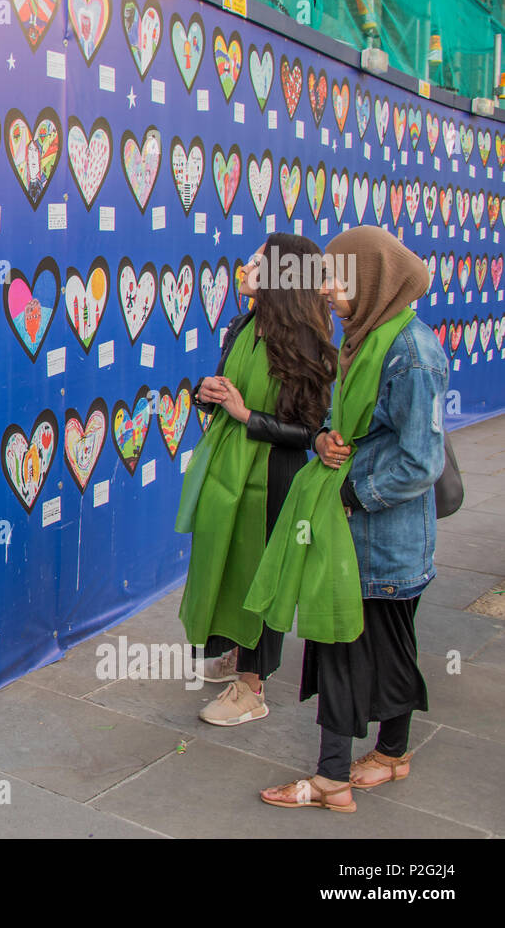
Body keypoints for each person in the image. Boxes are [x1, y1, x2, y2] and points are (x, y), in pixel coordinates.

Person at [253, 225, 447, 813]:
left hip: (379, 538)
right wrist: (327, 441)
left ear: (373, 281)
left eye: (338, 282)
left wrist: (352, 492)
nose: (327, 295)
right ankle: (391, 754)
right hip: (370, 536)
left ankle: (332, 778)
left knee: (339, 648)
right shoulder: (368, 339)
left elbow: (421, 460)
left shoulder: (410, 354)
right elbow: (361, 430)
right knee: (387, 651)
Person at [176, 233, 337, 727]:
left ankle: (253, 686)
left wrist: (246, 415)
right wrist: (207, 392)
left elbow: (311, 430)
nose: (245, 267)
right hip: (227, 471)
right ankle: (235, 653)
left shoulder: (306, 342)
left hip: (274, 476)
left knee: (260, 574)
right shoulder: (244, 325)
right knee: (224, 565)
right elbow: (223, 390)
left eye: (257, 262)